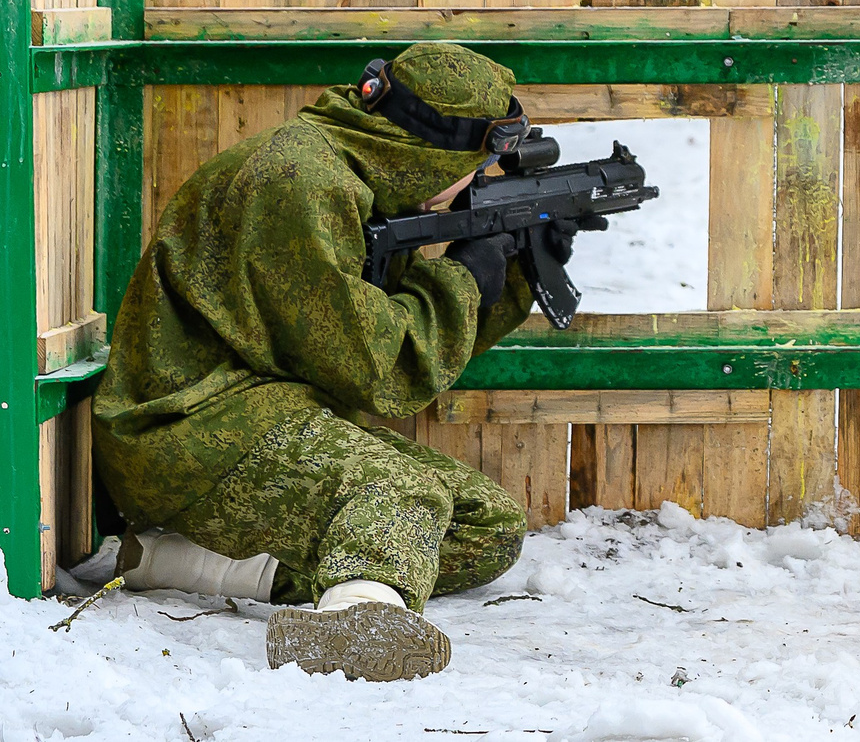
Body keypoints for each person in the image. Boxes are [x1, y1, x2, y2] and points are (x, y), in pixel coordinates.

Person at [95, 43, 541, 681]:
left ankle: (177, 563)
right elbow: (377, 368)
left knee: (485, 525)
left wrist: (513, 273)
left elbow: (408, 345)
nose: (477, 182)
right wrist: (463, 280)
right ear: (433, 154)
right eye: (478, 165)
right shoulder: (298, 182)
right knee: (398, 494)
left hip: (266, 414)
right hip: (187, 429)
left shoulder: (358, 178)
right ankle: (353, 626)